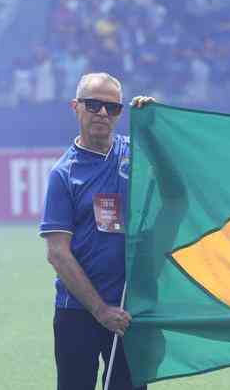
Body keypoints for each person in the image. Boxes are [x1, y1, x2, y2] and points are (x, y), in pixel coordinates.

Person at [40, 72, 155, 390]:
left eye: (112, 107)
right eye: (93, 105)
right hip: (78, 312)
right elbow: (58, 254)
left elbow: (178, 192)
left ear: (120, 112)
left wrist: (157, 128)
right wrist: (101, 310)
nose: (102, 113)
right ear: (75, 107)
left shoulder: (139, 156)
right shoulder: (64, 174)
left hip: (131, 310)